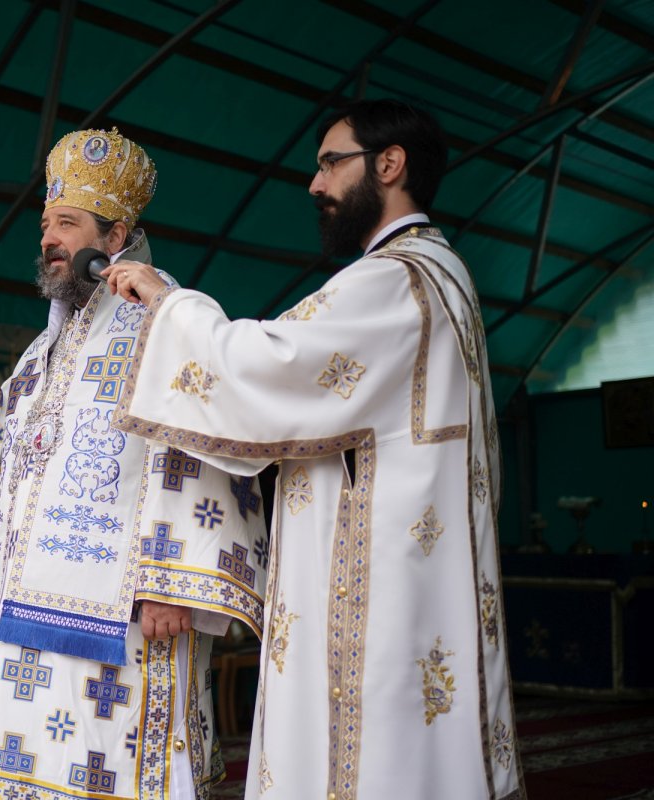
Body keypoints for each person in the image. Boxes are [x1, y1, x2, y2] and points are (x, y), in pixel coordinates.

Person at [109, 99, 524, 799]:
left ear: (389, 164)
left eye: (332, 163)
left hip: (378, 594)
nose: (315, 184)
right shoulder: (443, 277)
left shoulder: (395, 280)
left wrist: (167, 301)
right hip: (420, 579)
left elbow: (269, 363)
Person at [0, 128, 268, 799]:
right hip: (21, 622)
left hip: (123, 622)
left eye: (67, 223)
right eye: (45, 225)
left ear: (115, 238)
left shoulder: (163, 316)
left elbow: (204, 434)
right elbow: (6, 478)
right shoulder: (41, 353)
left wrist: (176, 580)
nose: (48, 239)